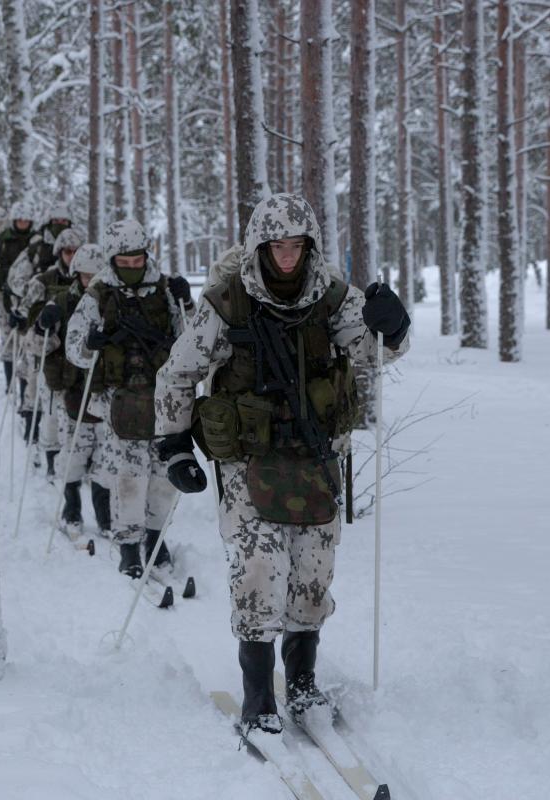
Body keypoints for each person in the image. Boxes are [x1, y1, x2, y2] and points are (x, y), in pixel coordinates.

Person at [153, 194, 411, 736]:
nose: (288, 257)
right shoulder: (226, 304)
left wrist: (394, 327)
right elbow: (177, 372)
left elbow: (372, 350)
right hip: (249, 463)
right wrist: (174, 445)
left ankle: (301, 681)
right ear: (260, 248)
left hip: (317, 460)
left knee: (312, 577)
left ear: (309, 246)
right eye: (278, 247)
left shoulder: (335, 298)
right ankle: (256, 697)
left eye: (297, 246)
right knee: (259, 573)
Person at [64, 219, 195, 577]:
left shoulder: (166, 289)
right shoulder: (99, 294)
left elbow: (192, 339)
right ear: (113, 259)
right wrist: (92, 343)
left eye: (139, 260)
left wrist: (188, 301)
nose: (134, 267)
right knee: (130, 475)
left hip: (164, 397)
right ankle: (127, 545)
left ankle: (154, 537)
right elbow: (73, 349)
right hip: (117, 399)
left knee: (164, 473)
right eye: (126, 262)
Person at [34, 243, 114, 540]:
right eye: (84, 276)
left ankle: (105, 516)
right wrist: (44, 328)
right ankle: (72, 510)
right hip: (73, 391)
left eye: (96, 275)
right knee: (74, 456)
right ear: (75, 275)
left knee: (107, 460)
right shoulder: (61, 303)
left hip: (106, 392)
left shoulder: (114, 302)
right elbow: (37, 348)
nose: (90, 282)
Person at [15, 226, 84, 461]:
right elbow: (25, 309)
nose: (72, 256)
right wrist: (35, 323)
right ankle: (36, 439)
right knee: (39, 397)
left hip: (78, 351)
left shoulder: (90, 280)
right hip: (46, 347)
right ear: (59, 253)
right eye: (67, 251)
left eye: (76, 251)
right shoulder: (43, 280)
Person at [0, 203, 35, 388]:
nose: (23, 223)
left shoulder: (35, 239)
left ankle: (25, 384)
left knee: (27, 337)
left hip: (29, 294)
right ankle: (10, 383)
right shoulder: (2, 238)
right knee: (7, 333)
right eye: (20, 220)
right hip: (3, 294)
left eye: (26, 220)